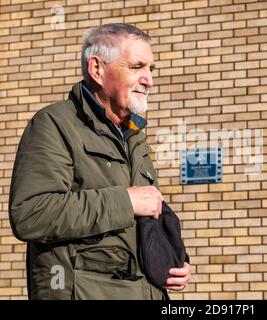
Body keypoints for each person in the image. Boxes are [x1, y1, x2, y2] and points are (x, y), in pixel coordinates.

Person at [8, 23, 191, 300]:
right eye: (136, 66)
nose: (149, 80)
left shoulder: (134, 135)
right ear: (97, 69)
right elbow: (31, 214)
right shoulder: (55, 124)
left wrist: (173, 259)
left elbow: (143, 217)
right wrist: (125, 202)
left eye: (151, 69)